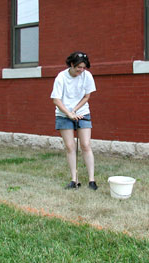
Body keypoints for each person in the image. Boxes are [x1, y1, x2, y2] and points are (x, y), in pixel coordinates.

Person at [50, 51, 98, 190]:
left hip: (82, 112)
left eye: (84, 67)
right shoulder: (61, 77)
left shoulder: (87, 76)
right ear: (72, 64)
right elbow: (56, 100)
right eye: (79, 67)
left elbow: (86, 96)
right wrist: (69, 113)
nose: (81, 70)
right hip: (63, 114)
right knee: (70, 147)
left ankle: (91, 181)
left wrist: (75, 110)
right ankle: (74, 180)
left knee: (85, 145)